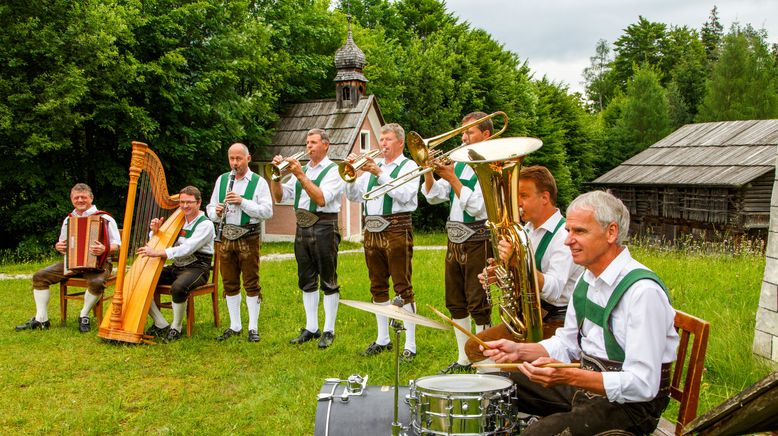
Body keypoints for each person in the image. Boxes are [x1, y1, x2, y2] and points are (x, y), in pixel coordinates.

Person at [482, 190, 679, 435]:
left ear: (611, 232)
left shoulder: (642, 292)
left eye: (579, 231)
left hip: (631, 408)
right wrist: (519, 351)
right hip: (588, 389)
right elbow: (568, 343)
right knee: (495, 385)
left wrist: (569, 377)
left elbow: (643, 385)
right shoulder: (587, 278)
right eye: (568, 231)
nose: (567, 240)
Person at [465, 165, 583, 369]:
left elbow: (554, 291)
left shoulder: (563, 236)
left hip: (556, 321)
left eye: (524, 195)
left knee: (504, 363)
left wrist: (518, 263)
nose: (517, 202)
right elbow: (521, 279)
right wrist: (502, 275)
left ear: (545, 198)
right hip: (527, 317)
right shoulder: (526, 230)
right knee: (474, 348)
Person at [421, 112, 493, 374]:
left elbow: (477, 208)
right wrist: (428, 172)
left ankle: (483, 359)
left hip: (478, 239)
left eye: (469, 133)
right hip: (454, 240)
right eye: (462, 133)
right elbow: (434, 196)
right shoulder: (459, 162)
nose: (463, 138)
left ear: (486, 134)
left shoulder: (491, 164)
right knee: (455, 301)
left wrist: (452, 177)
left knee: (479, 304)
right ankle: (464, 358)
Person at [344, 123, 420, 361]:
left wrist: (379, 173)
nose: (383, 144)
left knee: (402, 286)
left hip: (397, 227)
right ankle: (382, 339)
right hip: (372, 229)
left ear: (400, 142)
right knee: (377, 285)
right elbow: (355, 197)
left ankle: (410, 343)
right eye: (381, 140)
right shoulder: (372, 170)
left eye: (387, 140)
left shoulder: (409, 166)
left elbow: (406, 196)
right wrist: (352, 177)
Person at [270, 128, 345, 349]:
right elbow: (280, 196)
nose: (308, 147)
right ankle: (311, 327)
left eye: (313, 142)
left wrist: (300, 175)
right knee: (306, 279)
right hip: (302, 226)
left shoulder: (334, 171)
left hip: (324, 226)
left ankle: (329, 330)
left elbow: (321, 199)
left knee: (328, 280)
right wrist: (276, 175)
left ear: (326, 145)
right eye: (307, 142)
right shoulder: (301, 171)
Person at [16, 183, 121, 333]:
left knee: (97, 282)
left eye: (83, 197)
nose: (80, 200)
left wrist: (105, 248)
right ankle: (41, 320)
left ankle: (83, 315)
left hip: (100, 262)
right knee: (40, 276)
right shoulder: (69, 219)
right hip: (71, 262)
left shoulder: (104, 218)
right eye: (76, 197)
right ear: (72, 199)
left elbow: (118, 244)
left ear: (91, 198)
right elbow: (63, 243)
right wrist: (59, 247)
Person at [206, 143, 273, 343]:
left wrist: (242, 201)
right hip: (226, 236)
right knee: (229, 282)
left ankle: (253, 327)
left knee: (251, 282)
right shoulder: (223, 179)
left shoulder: (259, 182)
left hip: (248, 236)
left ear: (248, 159)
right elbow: (209, 208)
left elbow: (267, 212)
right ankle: (235, 326)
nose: (235, 163)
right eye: (232, 159)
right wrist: (216, 212)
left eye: (239, 159)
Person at [139, 186, 214, 342]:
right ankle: (160, 323)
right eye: (182, 202)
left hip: (197, 267)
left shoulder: (205, 224)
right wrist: (155, 231)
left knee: (178, 287)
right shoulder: (179, 221)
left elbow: (187, 249)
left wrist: (158, 253)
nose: (185, 206)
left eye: (189, 202)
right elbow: (163, 240)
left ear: (198, 202)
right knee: (143, 279)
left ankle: (176, 327)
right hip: (177, 267)